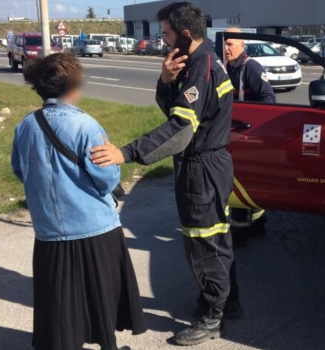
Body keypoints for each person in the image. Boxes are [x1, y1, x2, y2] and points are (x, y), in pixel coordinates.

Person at [90, 2, 238, 346]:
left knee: (204, 243)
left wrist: (125, 153)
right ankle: (228, 303)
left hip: (202, 168)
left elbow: (181, 129)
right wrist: (165, 80)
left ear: (186, 34)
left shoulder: (202, 69)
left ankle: (211, 316)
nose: (163, 40)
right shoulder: (200, 60)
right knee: (218, 237)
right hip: (210, 165)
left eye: (168, 33)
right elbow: (181, 109)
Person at [11, 53, 146, 350]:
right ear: (74, 85)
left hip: (48, 231)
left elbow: (20, 170)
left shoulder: (25, 126)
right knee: (101, 298)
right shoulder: (86, 126)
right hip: (94, 227)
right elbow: (106, 179)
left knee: (60, 301)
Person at [223, 27, 275, 246]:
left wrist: (254, 123)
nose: (226, 49)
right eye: (225, 44)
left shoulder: (250, 67)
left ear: (242, 45)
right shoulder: (227, 67)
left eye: (231, 44)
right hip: (233, 133)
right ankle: (257, 225)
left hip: (247, 133)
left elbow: (269, 99)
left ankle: (241, 233)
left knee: (240, 181)